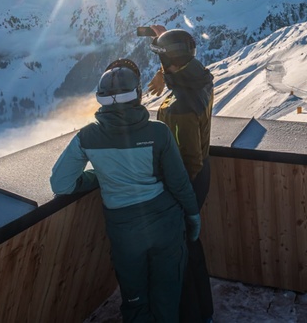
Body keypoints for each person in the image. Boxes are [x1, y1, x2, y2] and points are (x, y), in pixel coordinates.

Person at [50, 59, 200, 323]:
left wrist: (100, 175)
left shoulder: (87, 137)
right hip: (165, 225)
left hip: (124, 232)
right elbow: (179, 183)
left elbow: (61, 185)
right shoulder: (159, 132)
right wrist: (193, 215)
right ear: (137, 96)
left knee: (134, 298)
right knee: (167, 294)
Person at [147, 28, 215, 323]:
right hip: (202, 176)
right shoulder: (201, 79)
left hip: (184, 186)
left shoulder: (179, 109)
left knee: (180, 258)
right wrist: (166, 41)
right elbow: (185, 63)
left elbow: (188, 163)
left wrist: (177, 202)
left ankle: (191, 315)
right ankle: (205, 312)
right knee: (192, 247)